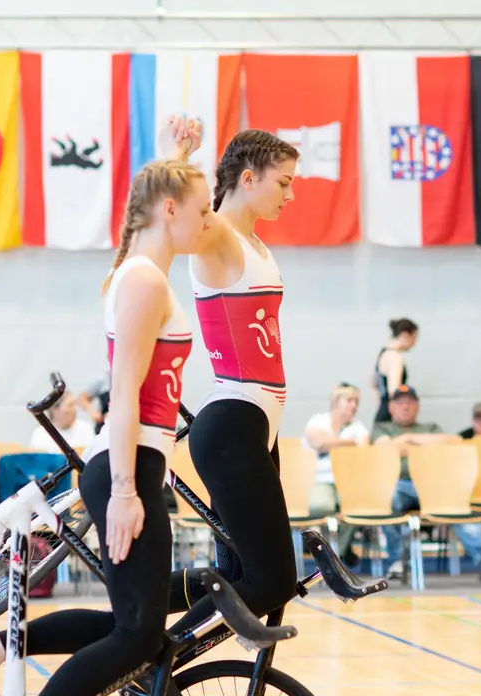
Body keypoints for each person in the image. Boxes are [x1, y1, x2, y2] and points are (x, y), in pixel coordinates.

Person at [0, 160, 209, 696]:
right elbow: (123, 392)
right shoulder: (144, 281)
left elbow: (156, 198)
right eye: (203, 209)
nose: (210, 222)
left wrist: (182, 150)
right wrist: (126, 491)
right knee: (135, 634)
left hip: (136, 462)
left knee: (136, 625)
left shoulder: (142, 271)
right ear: (171, 210)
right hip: (127, 465)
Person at [154, 120, 303, 632]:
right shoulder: (218, 234)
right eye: (283, 182)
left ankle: (139, 609)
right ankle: (146, 658)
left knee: (239, 576)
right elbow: (168, 206)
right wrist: (177, 151)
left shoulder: (256, 245)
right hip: (233, 425)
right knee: (272, 581)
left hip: (257, 428)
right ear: (247, 178)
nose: (290, 194)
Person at [372, 385, 481, 578]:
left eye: (410, 403)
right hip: (399, 484)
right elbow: (383, 449)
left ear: (418, 406)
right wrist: (425, 446)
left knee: (455, 502)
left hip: (432, 486)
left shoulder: (430, 427)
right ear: (391, 407)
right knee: (386, 499)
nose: (405, 407)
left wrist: (407, 439)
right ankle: (398, 561)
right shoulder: (382, 428)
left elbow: (454, 441)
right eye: (400, 403)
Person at [302, 383, 369, 555]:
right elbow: (317, 442)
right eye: (349, 400)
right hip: (319, 479)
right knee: (321, 505)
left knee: (357, 508)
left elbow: (363, 451)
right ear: (336, 402)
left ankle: (336, 554)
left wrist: (330, 442)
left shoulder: (358, 427)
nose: (354, 405)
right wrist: (349, 443)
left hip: (347, 481)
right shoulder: (318, 420)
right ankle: (331, 548)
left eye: (357, 402)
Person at [373, 317, 418, 426]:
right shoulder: (395, 358)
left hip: (382, 413)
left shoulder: (382, 354)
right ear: (405, 335)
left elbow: (374, 384)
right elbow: (394, 391)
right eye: (414, 338)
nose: (414, 343)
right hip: (391, 417)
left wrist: (382, 406)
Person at [29, 391, 97, 451]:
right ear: (54, 410)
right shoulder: (40, 434)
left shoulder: (85, 428)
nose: (74, 410)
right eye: (70, 405)